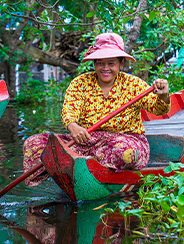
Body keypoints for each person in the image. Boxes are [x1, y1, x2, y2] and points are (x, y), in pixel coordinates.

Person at [23, 33, 171, 187]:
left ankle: (82, 167)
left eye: (111, 63)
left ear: (121, 64)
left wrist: (164, 95)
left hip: (124, 141)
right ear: (94, 63)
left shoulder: (133, 84)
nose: (105, 68)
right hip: (86, 142)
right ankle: (79, 168)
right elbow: (69, 110)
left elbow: (158, 109)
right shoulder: (80, 83)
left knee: (124, 153)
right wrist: (73, 126)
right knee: (33, 144)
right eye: (100, 63)